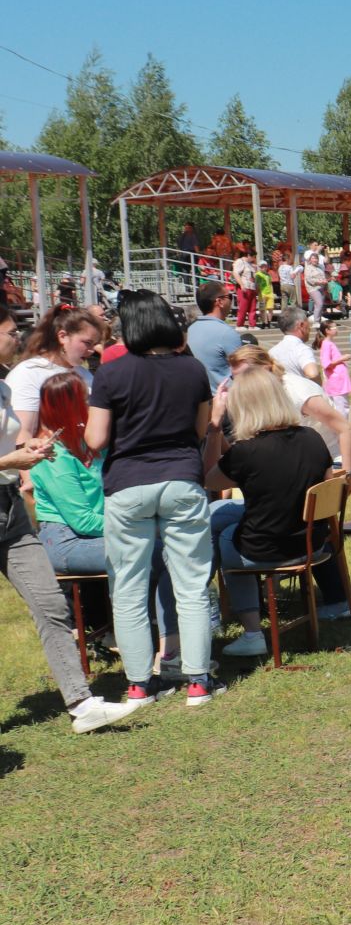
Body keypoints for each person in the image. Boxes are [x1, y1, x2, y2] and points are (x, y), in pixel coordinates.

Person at [0, 311, 144, 733]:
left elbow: (12, 437)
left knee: (51, 606)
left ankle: (82, 705)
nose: (17, 337)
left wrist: (31, 446)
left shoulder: (4, 384)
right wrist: (11, 460)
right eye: (10, 332)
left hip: (10, 513)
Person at [85, 289, 221, 707]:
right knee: (192, 582)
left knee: (127, 586)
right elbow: (201, 431)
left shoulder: (111, 373)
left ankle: (139, 684)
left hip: (127, 484)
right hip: (181, 478)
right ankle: (198, 679)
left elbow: (96, 438)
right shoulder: (193, 369)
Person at [202, 366, 351, 657]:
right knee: (220, 511)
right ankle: (211, 607)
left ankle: (247, 629)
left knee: (222, 533)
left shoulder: (246, 452)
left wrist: (214, 427)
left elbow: (209, 478)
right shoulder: (311, 437)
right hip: (312, 541)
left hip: (270, 547)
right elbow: (321, 481)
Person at [230, 344, 351, 486]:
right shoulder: (260, 394)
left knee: (314, 506)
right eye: (235, 379)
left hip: (340, 457)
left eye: (245, 376)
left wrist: (347, 475)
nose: (240, 385)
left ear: (265, 368)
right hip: (311, 461)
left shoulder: (298, 392)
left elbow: (344, 428)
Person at [9, 305, 103, 443]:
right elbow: (22, 434)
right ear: (63, 336)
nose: (91, 350)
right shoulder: (28, 373)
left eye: (94, 344)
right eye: (87, 343)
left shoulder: (83, 373)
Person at [186, 280, 244, 391]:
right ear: (220, 302)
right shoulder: (226, 333)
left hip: (200, 398)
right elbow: (242, 372)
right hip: (224, 399)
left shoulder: (190, 330)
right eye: (229, 297)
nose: (231, 300)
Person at [270, 308, 323, 382]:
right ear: (301, 325)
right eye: (308, 323)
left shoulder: (272, 351)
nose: (309, 328)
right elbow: (312, 373)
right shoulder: (302, 350)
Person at [318, 319, 351, 419]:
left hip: (339, 381)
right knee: (341, 408)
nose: (336, 329)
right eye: (334, 327)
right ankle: (344, 430)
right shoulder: (327, 344)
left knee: (342, 407)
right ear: (327, 330)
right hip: (336, 382)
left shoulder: (329, 343)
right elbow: (326, 364)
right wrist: (342, 358)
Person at [233, 253, 257, 328]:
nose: (254, 259)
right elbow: (235, 273)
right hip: (244, 287)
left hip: (252, 287)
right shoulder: (240, 261)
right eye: (253, 257)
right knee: (243, 307)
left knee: (252, 307)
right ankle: (240, 325)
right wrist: (241, 284)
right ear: (249, 255)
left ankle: (252, 325)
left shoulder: (251, 264)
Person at [303, 251, 327, 322]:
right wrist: (320, 282)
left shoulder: (320, 267)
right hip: (313, 288)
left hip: (322, 288)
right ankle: (316, 321)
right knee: (319, 303)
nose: (314, 260)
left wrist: (325, 281)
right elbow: (309, 279)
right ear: (310, 260)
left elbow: (323, 276)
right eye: (313, 258)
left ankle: (318, 320)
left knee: (319, 305)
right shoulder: (308, 268)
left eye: (316, 258)